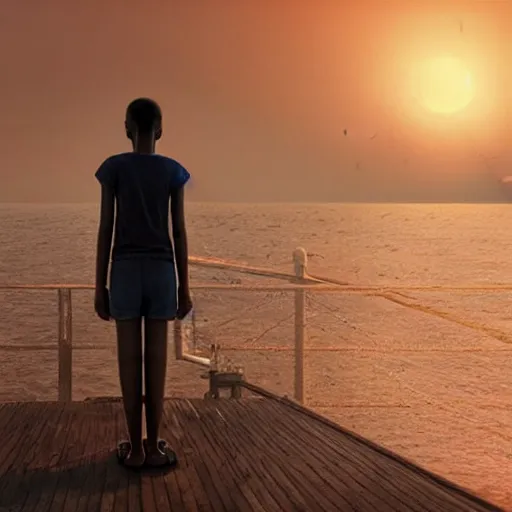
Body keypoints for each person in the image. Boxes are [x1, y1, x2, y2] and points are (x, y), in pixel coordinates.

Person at [94, 97, 193, 469]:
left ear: (127, 129)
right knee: (156, 363)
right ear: (160, 130)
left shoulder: (113, 168)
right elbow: (179, 231)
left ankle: (134, 450)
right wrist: (184, 287)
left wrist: (99, 285)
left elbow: (106, 228)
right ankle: (154, 448)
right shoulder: (172, 171)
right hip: (161, 272)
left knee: (129, 362)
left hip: (123, 271)